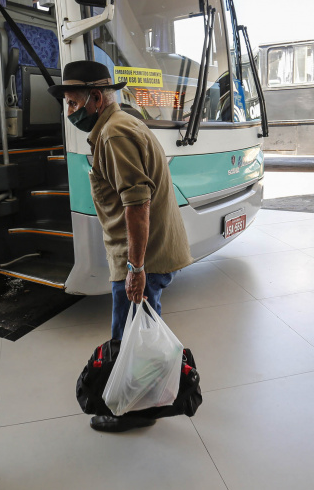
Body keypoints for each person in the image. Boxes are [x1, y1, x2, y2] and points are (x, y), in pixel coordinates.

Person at [48, 61, 193, 433]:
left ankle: (135, 409)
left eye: (73, 103)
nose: (69, 112)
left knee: (130, 336)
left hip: (143, 257)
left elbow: (137, 202)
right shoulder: (118, 124)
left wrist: (136, 268)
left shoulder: (114, 134)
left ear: (96, 98)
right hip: (144, 253)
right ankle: (144, 398)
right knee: (138, 331)